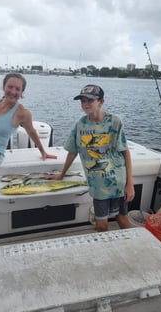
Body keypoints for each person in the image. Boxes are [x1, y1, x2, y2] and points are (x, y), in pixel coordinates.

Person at [47, 84, 135, 232]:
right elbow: (72, 152)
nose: (85, 104)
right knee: (102, 225)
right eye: (82, 101)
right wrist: (61, 175)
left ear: (101, 102)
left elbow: (125, 152)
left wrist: (130, 184)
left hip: (118, 182)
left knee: (122, 218)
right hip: (98, 186)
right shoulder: (80, 125)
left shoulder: (115, 122)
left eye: (90, 100)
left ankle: (137, 246)